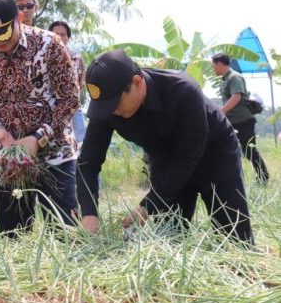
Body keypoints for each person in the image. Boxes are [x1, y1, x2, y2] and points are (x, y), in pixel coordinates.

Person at [78, 50, 254, 244]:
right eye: (104, 107)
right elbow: (88, 162)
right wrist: (89, 213)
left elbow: (188, 156)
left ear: (137, 83)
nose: (113, 112)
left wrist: (147, 205)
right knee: (171, 239)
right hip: (165, 161)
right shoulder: (107, 108)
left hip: (214, 155)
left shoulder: (182, 90)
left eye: (115, 104)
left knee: (235, 236)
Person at [0, 0, 80, 237]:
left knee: (65, 234)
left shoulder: (49, 45)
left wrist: (38, 138)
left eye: (4, 35)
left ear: (19, 18)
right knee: (13, 235)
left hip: (55, 152)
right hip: (8, 158)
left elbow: (70, 99)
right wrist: (1, 133)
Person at [211, 53, 269, 182]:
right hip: (232, 121)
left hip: (243, 121)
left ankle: (263, 177)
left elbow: (236, 97)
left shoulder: (234, 77)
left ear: (220, 64)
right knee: (227, 149)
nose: (213, 69)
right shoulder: (226, 79)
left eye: (213, 66)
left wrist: (220, 112)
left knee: (249, 151)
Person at [49, 20, 87, 144]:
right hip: (52, 109)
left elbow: (81, 82)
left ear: (68, 38)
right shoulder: (44, 58)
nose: (59, 37)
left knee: (80, 143)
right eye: (56, 34)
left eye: (63, 34)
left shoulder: (77, 58)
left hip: (74, 109)